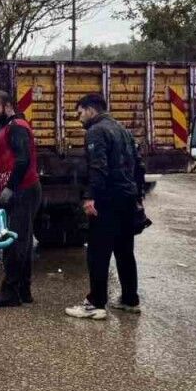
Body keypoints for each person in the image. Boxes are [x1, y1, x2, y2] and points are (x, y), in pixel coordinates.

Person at [65, 93, 143, 321]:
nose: (79, 118)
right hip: (127, 198)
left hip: (107, 200)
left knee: (98, 252)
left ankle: (96, 304)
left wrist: (90, 197)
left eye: (80, 112)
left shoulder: (96, 131)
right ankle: (130, 300)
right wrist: (137, 195)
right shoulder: (122, 129)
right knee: (124, 251)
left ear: (91, 109)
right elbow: (138, 165)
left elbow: (98, 168)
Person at [0, 91, 41, 308]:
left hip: (23, 191)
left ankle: (10, 292)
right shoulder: (7, 127)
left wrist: (10, 188)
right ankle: (23, 290)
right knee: (21, 241)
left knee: (15, 243)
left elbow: (23, 159)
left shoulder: (16, 127)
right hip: (21, 191)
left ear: (7, 106)